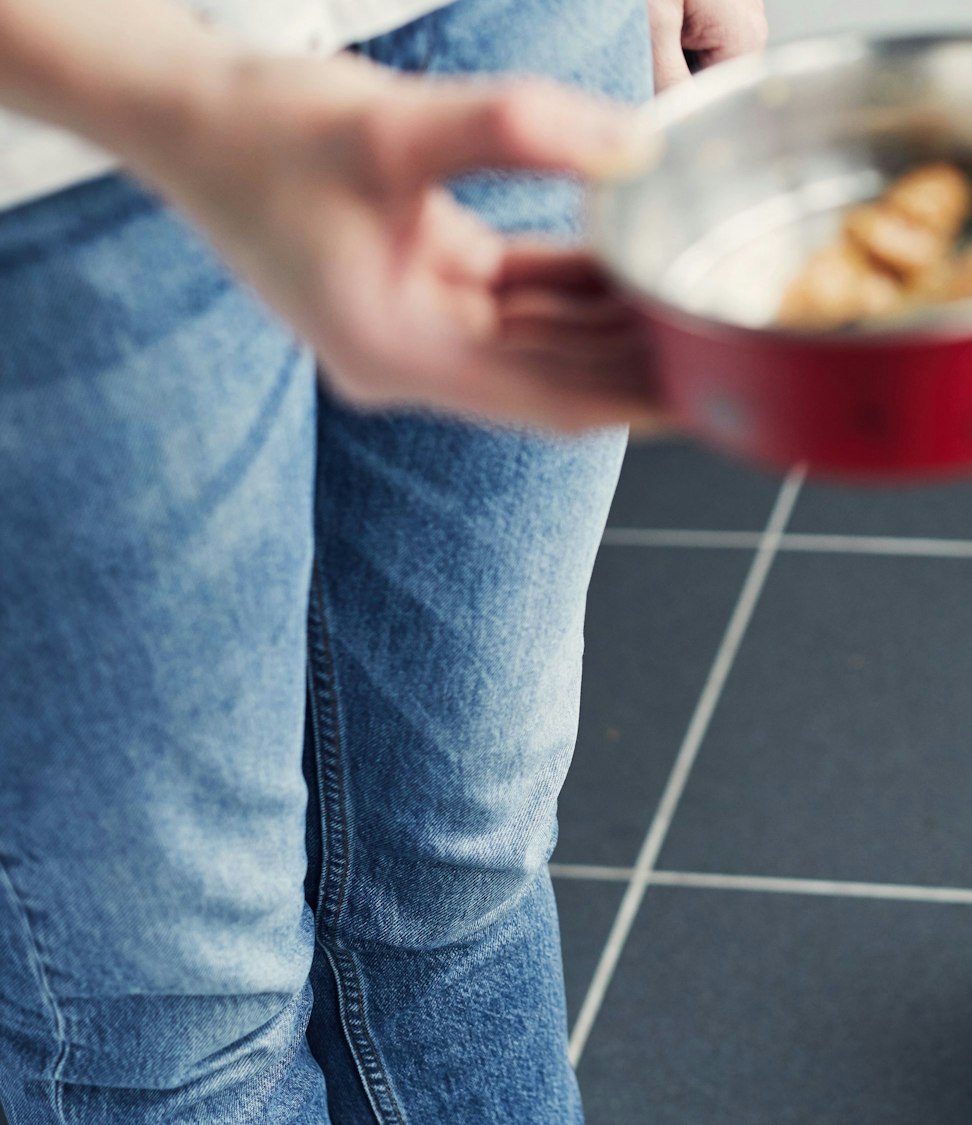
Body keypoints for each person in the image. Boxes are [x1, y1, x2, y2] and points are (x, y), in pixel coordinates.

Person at [0, 0, 763, 1119]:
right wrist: (188, 90)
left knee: (463, 868)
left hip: (507, 22)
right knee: (174, 1011)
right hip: (52, 142)